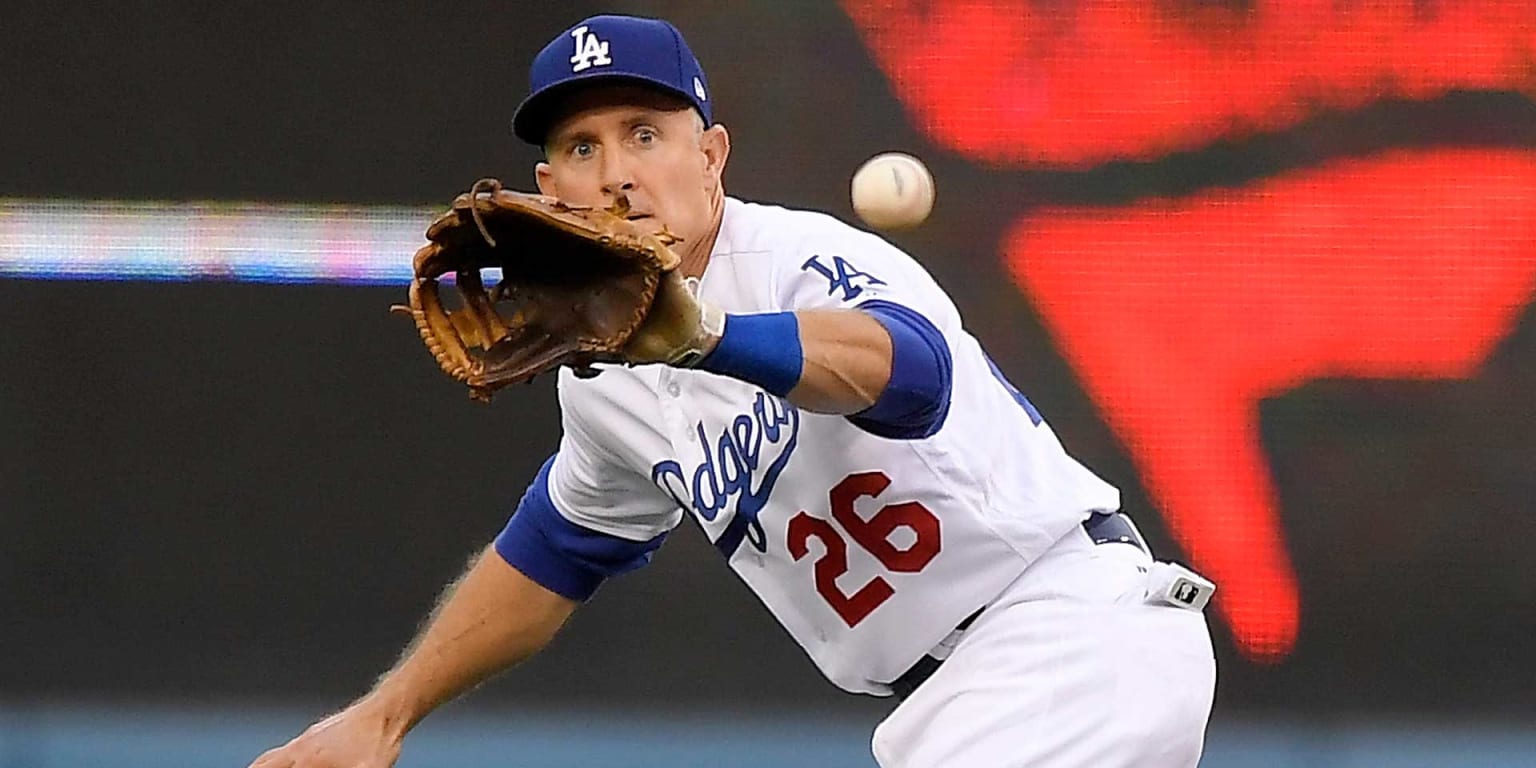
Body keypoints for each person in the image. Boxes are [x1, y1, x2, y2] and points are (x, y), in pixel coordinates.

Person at [250, 14, 1216, 768]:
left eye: (644, 133)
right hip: (956, 706)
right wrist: (384, 716)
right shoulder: (602, 382)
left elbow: (906, 374)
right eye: (583, 149)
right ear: (547, 188)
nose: (619, 173)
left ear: (710, 155)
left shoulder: (800, 257)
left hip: (1069, 633)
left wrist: (707, 338)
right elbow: (554, 549)